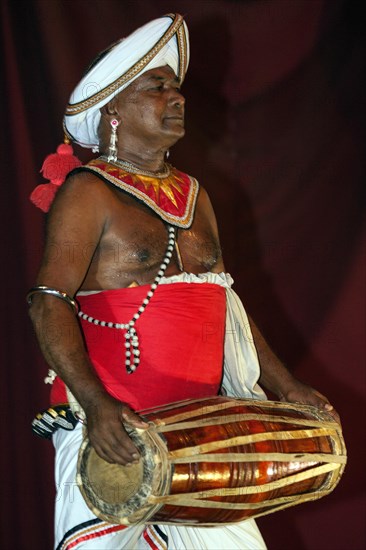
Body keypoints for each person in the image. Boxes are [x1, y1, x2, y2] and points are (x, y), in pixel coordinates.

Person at [28, 14, 338, 550]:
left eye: (175, 87)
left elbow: (226, 306)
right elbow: (47, 301)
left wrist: (287, 388)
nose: (177, 98)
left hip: (205, 432)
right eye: (157, 87)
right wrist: (97, 405)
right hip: (115, 424)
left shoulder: (195, 195)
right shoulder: (88, 192)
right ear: (114, 110)